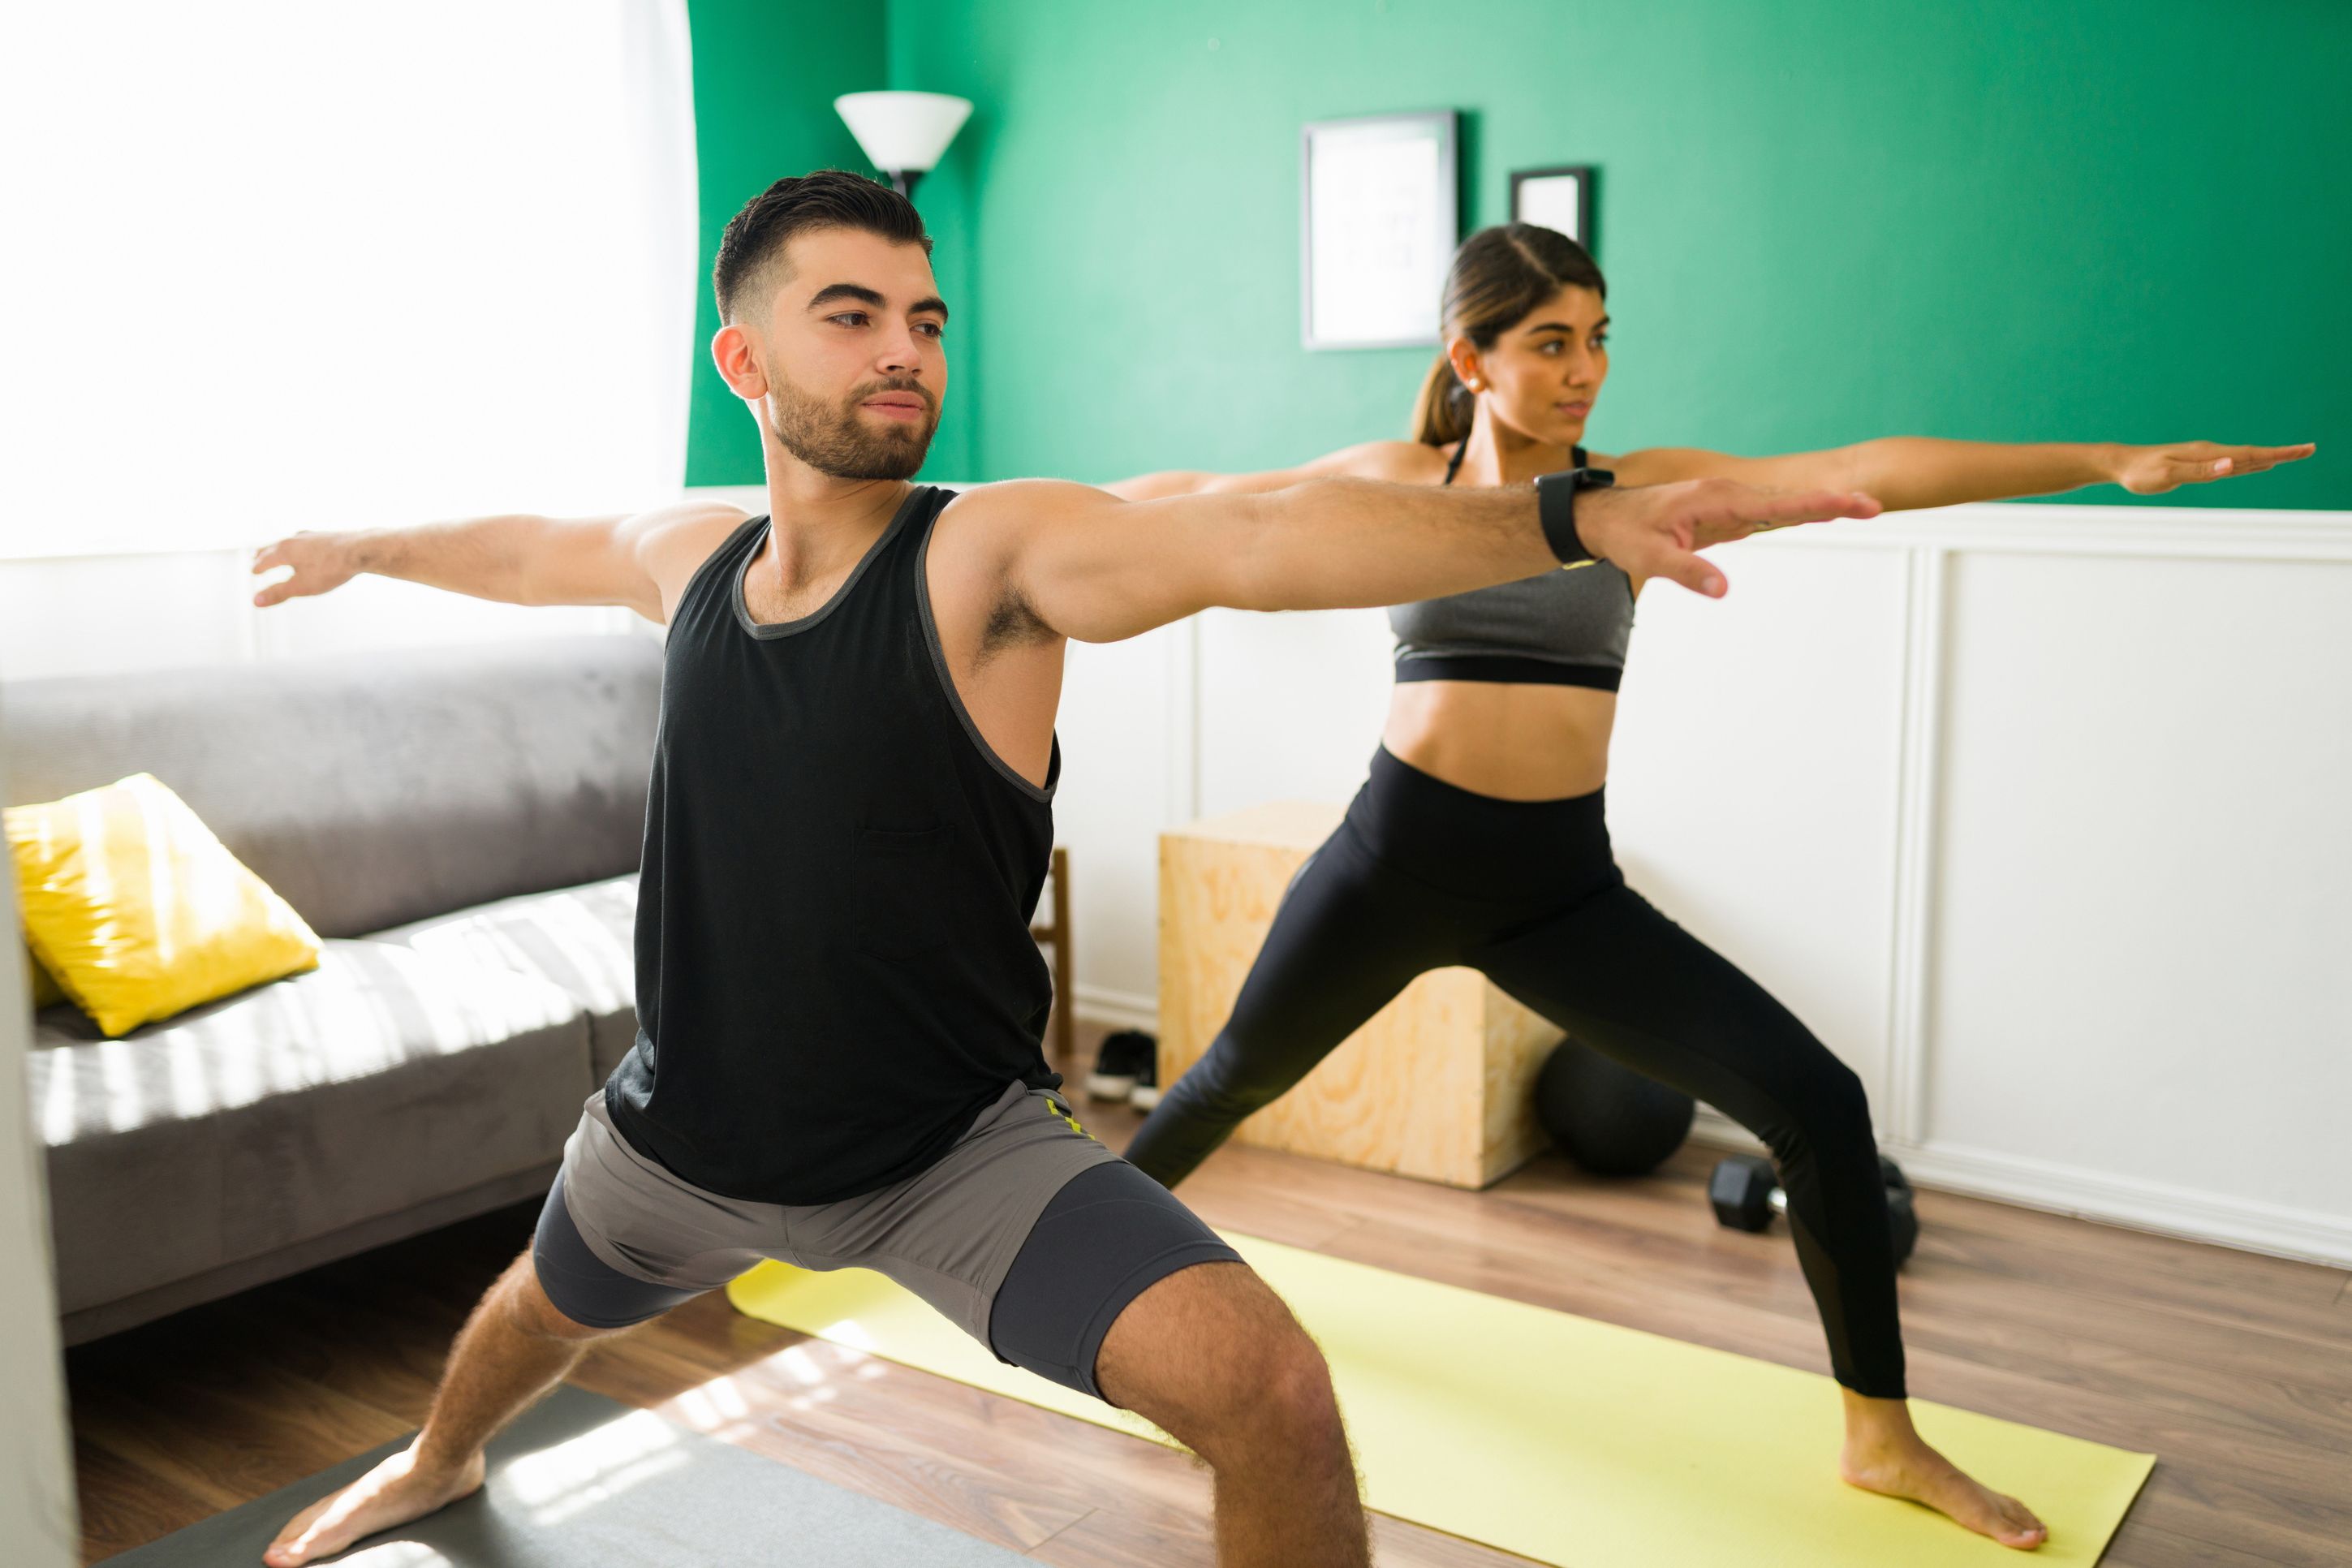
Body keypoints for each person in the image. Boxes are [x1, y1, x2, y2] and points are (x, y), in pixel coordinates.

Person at [245, 175, 1876, 1568]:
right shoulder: (693, 556)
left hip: (951, 1157)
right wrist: (363, 547)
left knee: (1273, 1391)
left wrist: (1562, 523)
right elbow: (536, 546)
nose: (905, 348)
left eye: (928, 318)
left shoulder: (991, 552)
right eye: (853, 314)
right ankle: (437, 1459)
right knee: (536, 1311)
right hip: (681, 1131)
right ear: (743, 356)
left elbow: (1255, 539)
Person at [1110, 221, 2315, 1554]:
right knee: (1227, 1079)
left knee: (1819, 1105)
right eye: (1552, 342)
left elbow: (1858, 470)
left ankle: (1883, 1439)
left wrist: (2099, 461)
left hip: (1558, 891)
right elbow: (1200, 502)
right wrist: (959, 527)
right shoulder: (1402, 479)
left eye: (1600, 337)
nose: (1586, 369)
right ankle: (1085, 1283)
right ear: (1472, 355)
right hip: (1391, 862)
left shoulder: (1637, 490)